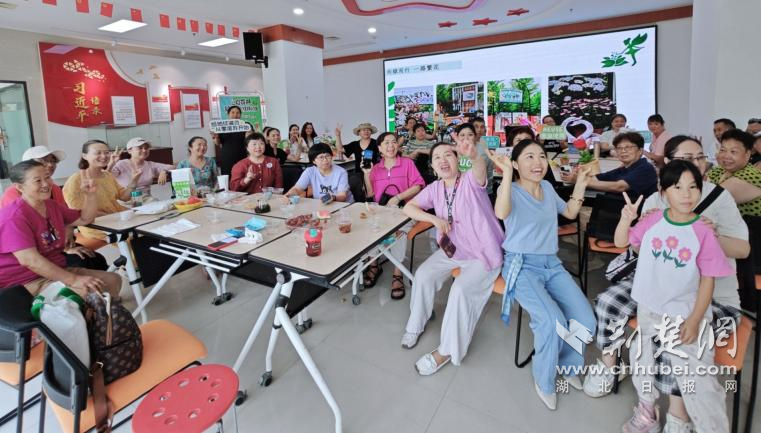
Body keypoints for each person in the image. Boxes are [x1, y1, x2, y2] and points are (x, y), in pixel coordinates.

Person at [585, 135, 749, 403]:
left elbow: (743, 250)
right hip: (660, 287)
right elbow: (636, 248)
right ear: (670, 163)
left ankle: (675, 414)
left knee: (671, 339)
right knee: (608, 303)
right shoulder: (656, 200)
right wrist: (645, 230)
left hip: (713, 296)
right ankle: (609, 365)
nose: (697, 163)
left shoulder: (720, 197)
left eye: (700, 157)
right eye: (688, 158)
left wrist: (708, 236)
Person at [614, 161, 734, 433]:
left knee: (699, 379)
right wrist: (626, 218)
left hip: (685, 313)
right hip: (649, 307)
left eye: (693, 187)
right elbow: (622, 242)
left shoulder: (703, 231)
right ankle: (647, 412)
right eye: (677, 187)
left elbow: (708, 280)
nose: (687, 194)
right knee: (641, 357)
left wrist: (694, 320)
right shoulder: (653, 219)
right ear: (663, 191)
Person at [491, 139, 596, 410]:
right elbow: (501, 212)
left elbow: (570, 212)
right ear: (515, 164)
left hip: (552, 264)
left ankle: (568, 366)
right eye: (529, 157)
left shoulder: (548, 188)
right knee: (551, 321)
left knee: (586, 319)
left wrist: (581, 182)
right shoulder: (510, 190)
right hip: (521, 265)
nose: (537, 162)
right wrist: (506, 175)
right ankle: (544, 379)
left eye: (540, 156)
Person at [400, 141, 503, 376]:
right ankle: (416, 325)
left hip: (482, 253)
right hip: (454, 250)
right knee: (424, 274)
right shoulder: (435, 188)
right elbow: (409, 208)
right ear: (432, 166)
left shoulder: (470, 181)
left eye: (448, 155)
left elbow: (479, 169)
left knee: (459, 291)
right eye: (437, 157)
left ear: (457, 160)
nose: (443, 160)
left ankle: (447, 351)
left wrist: (474, 156)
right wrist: (434, 220)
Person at [0, 160, 121, 297]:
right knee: (87, 292)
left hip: (56, 269)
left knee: (112, 280)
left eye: (47, 177)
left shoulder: (51, 205)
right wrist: (74, 280)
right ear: (20, 187)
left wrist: (90, 195)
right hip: (25, 281)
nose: (46, 184)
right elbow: (30, 261)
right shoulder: (13, 217)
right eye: (38, 181)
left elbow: (85, 219)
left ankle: (106, 310)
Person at [1, 146, 108, 271]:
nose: (50, 164)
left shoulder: (54, 189)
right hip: (31, 252)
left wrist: (68, 230)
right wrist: (65, 250)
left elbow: (66, 216)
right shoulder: (14, 196)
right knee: (82, 262)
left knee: (96, 259)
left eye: (53, 161)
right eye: (43, 161)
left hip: (54, 243)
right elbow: (27, 245)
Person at [361, 132, 424, 299]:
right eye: (386, 143)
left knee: (398, 231)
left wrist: (398, 197)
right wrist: (367, 173)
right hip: (382, 212)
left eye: (394, 142)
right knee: (369, 227)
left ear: (398, 145)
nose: (391, 146)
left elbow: (418, 185)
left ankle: (398, 272)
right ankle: (374, 264)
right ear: (379, 148)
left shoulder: (407, 163)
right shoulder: (375, 168)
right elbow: (370, 194)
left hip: (405, 211)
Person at [63, 140, 139, 245]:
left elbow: (124, 197)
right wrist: (113, 216)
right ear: (84, 156)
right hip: (96, 225)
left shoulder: (107, 175)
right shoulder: (75, 180)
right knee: (135, 239)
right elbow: (77, 211)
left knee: (149, 229)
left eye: (106, 152)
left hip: (117, 218)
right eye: (98, 153)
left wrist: (134, 180)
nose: (104, 156)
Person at [561, 132, 657, 199]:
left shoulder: (645, 168)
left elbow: (619, 187)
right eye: (619, 148)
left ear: (640, 151)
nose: (623, 151)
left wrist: (580, 180)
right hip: (614, 209)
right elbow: (597, 178)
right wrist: (578, 176)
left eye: (628, 147)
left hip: (636, 215)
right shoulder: (623, 169)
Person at [708, 129, 761, 216]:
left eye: (733, 152)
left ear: (747, 154)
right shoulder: (718, 170)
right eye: (723, 150)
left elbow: (706, 202)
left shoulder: (750, 176)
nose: (726, 156)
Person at [284, 143, 353, 203]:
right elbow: (297, 189)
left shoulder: (341, 172)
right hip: (321, 204)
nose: (325, 160)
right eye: (321, 157)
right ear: (314, 161)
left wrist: (333, 198)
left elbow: (342, 196)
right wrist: (289, 195)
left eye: (327, 156)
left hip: (342, 205)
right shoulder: (310, 171)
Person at [456, 123, 495, 195]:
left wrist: (488, 191)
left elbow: (488, 174)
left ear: (475, 136)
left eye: (470, 135)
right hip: (459, 192)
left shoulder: (483, 150)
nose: (466, 138)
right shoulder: (454, 151)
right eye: (462, 135)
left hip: (479, 193)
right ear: (457, 136)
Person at [212, 105, 247, 176]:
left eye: (237, 113)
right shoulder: (222, 127)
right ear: (228, 114)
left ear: (240, 115)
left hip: (242, 155)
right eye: (233, 112)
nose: (235, 115)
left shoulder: (245, 126)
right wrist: (216, 138)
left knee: (242, 175)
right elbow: (217, 143)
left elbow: (249, 140)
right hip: (227, 157)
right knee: (227, 176)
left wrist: (249, 134)